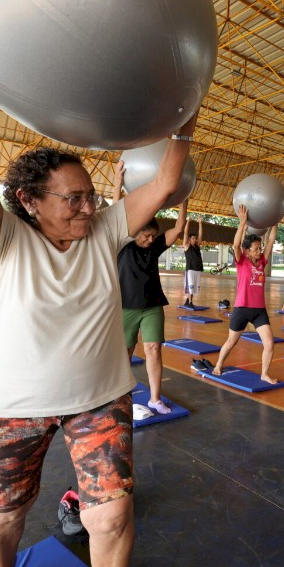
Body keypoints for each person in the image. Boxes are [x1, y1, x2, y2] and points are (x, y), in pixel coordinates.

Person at [0, 0, 199, 567]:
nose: (89, 208)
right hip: (13, 408)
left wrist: (184, 113)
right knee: (6, 517)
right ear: (30, 200)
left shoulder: (108, 228)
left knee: (113, 515)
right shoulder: (5, 240)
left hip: (100, 402)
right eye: (73, 200)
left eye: (91, 197)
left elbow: (166, 184)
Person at [112, 169, 187, 415]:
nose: (150, 239)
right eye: (146, 235)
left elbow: (178, 227)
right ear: (134, 232)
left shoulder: (154, 248)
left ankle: (155, 399)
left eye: (153, 235)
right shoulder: (122, 244)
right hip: (126, 307)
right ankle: (118, 396)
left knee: (154, 348)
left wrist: (184, 197)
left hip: (153, 305)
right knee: (126, 353)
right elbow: (116, 213)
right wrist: (118, 183)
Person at [210, 205, 278, 384]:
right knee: (232, 341)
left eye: (259, 247)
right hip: (242, 308)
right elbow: (235, 244)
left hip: (259, 310)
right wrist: (242, 223)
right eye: (255, 248)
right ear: (247, 251)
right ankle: (218, 364)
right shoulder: (241, 262)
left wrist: (275, 221)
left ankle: (264, 374)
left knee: (269, 343)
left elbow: (270, 241)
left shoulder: (262, 261)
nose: (259, 250)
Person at [180, 214, 203, 308]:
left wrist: (200, 223)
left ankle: (189, 301)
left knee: (193, 287)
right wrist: (188, 221)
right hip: (190, 269)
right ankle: (189, 302)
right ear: (189, 240)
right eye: (193, 238)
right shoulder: (186, 246)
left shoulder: (197, 246)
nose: (195, 239)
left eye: (195, 238)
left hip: (197, 269)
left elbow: (200, 235)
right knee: (190, 285)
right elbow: (185, 233)